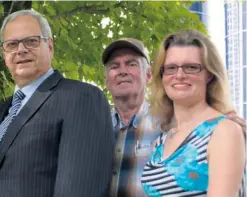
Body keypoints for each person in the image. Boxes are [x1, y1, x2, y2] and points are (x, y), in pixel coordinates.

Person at [0, 9, 114, 197]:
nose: (21, 50)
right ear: (4, 55)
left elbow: (81, 189)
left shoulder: (81, 98)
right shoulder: (0, 113)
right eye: (12, 44)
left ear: (50, 46)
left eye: (31, 41)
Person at [141, 29, 246, 196]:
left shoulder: (224, 131)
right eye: (171, 68)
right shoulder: (162, 141)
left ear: (209, 75)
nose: (180, 75)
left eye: (191, 67)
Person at [102, 38, 160, 197]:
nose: (122, 71)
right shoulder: (93, 126)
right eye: (114, 66)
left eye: (131, 64)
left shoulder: (169, 124)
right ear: (106, 81)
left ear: (148, 75)